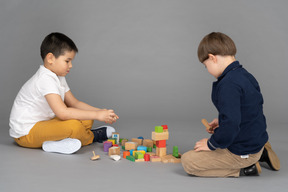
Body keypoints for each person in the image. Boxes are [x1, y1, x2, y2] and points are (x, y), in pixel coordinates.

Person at [181, 32, 280, 177]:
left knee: (188, 162)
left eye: (205, 66)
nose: (207, 70)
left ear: (212, 58)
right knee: (232, 130)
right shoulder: (245, 75)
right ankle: (261, 150)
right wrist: (222, 121)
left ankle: (247, 167)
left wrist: (211, 144)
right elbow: (249, 111)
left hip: (242, 150)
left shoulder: (228, 84)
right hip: (256, 138)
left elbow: (232, 124)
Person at [9, 32, 119, 154]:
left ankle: (58, 142)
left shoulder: (58, 76)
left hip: (44, 123)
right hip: (26, 133)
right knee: (75, 126)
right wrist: (97, 115)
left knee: (87, 117)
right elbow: (63, 113)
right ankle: (91, 136)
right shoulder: (44, 79)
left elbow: (74, 103)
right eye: (67, 61)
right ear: (50, 58)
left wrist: (100, 112)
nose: (70, 66)